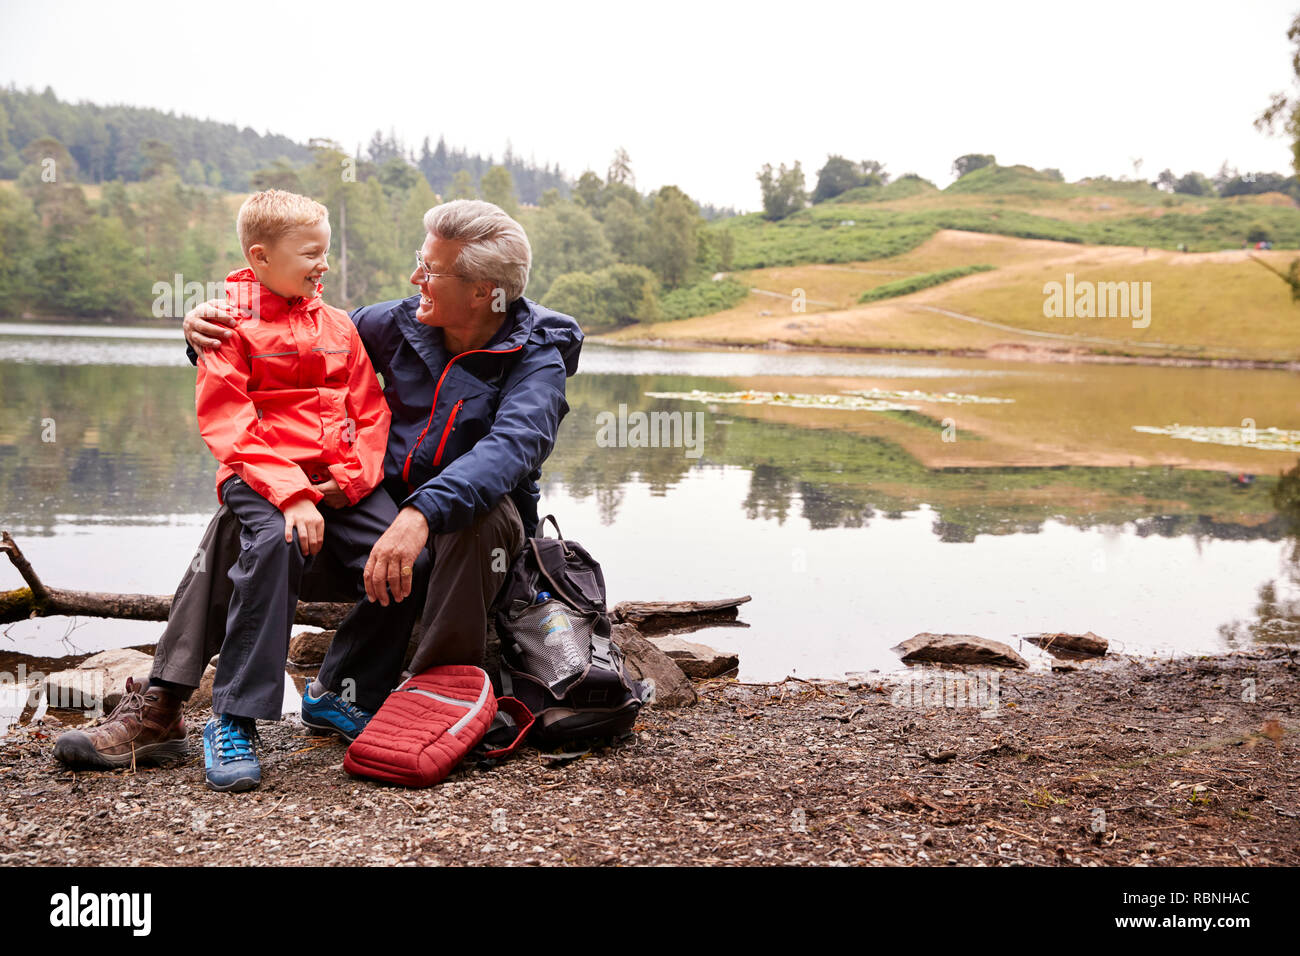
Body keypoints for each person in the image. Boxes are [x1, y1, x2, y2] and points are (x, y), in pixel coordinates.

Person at [53, 200, 583, 785]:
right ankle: (165, 705)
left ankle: (427, 704)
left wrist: (418, 513)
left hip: (474, 548)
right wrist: (205, 330)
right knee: (247, 518)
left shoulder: (537, 357)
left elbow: (509, 450)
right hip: (372, 522)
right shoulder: (396, 322)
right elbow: (292, 346)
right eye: (419, 262)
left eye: (430, 270)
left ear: (484, 292)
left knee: (470, 517)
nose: (414, 279)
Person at [58, 189, 395, 792]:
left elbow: (371, 413)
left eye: (326, 253)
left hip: (340, 484)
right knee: (270, 541)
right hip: (258, 478)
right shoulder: (226, 324)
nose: (323, 265)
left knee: (406, 556)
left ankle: (339, 691)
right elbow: (228, 423)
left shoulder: (342, 325)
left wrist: (348, 481)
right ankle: (233, 718)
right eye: (310, 253)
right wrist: (292, 493)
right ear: (261, 257)